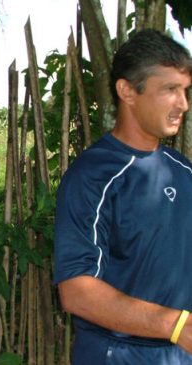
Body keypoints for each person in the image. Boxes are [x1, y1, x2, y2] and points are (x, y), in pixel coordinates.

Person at [54, 29, 192, 364]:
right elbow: (76, 292)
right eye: (170, 90)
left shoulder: (183, 170)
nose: (183, 105)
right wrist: (175, 325)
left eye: (186, 91)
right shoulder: (92, 177)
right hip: (116, 355)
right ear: (127, 91)